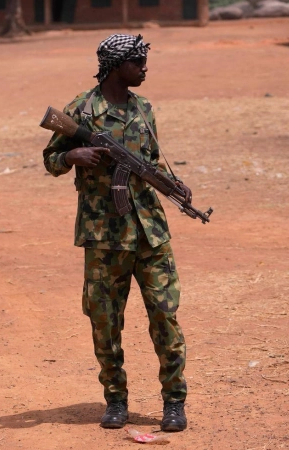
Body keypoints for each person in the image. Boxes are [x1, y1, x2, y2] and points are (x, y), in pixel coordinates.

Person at [42, 34, 191, 432]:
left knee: (165, 316)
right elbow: (51, 160)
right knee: (105, 321)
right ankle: (116, 400)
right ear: (116, 66)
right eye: (137, 62)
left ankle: (174, 403)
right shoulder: (81, 110)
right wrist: (73, 155)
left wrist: (175, 187)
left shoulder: (144, 109)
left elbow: (152, 163)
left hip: (150, 233)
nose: (144, 68)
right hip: (104, 236)